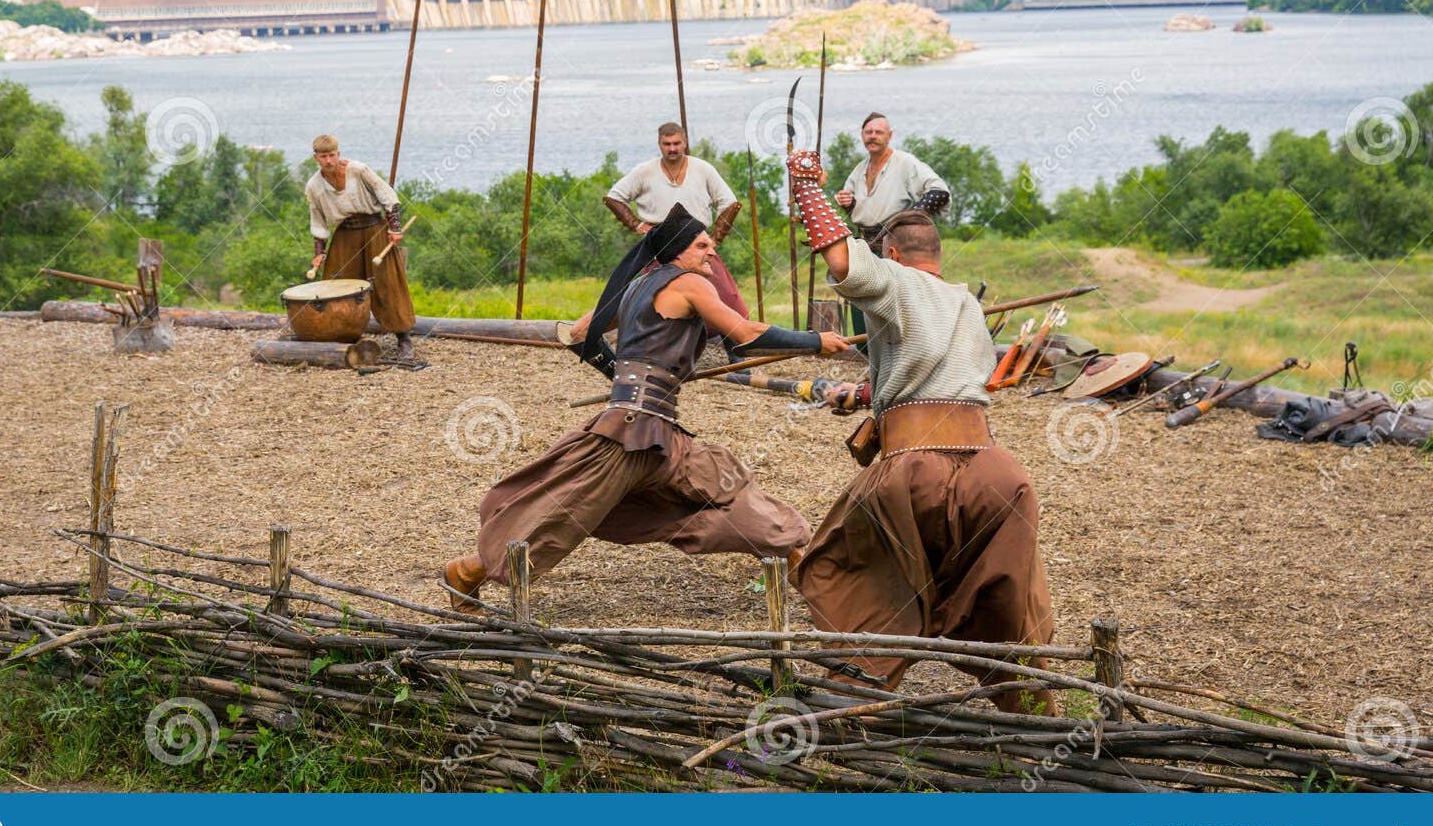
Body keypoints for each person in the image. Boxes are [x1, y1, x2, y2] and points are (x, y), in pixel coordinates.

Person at [443, 204, 850, 610]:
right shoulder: (689, 283)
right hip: (634, 433)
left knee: (724, 484)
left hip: (652, 430)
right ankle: (467, 572)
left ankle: (802, 565)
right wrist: (815, 341)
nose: (712, 252)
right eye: (702, 244)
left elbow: (580, 334)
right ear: (679, 251)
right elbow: (745, 333)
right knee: (563, 511)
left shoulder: (638, 286)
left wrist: (629, 375)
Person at [784, 149, 1057, 715]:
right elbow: (937, 373)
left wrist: (807, 185)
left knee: (837, 563)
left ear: (890, 253)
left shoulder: (895, 282)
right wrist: (863, 395)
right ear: (937, 254)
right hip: (995, 471)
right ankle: (1028, 707)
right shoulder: (965, 303)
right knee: (1003, 591)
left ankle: (856, 691)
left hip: (916, 467)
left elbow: (840, 261)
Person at [605, 122, 749, 320]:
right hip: (660, 245)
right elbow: (613, 198)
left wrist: (715, 238)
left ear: (685, 142)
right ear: (659, 143)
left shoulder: (703, 169)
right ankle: (645, 342)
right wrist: (636, 224)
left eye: (676, 143)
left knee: (727, 297)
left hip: (697, 241)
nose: (672, 148)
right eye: (667, 144)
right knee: (648, 298)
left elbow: (731, 203)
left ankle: (737, 344)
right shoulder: (644, 171)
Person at [833, 113, 951, 336]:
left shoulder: (905, 163)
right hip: (864, 247)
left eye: (878, 132)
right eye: (869, 132)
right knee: (862, 300)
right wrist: (848, 203)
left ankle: (901, 352)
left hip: (896, 248)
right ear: (862, 136)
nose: (873, 136)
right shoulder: (860, 169)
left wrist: (908, 220)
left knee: (896, 304)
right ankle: (866, 353)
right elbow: (859, 209)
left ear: (889, 135)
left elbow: (939, 192)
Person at [304, 134, 416, 361]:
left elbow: (388, 197)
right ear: (316, 158)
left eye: (332, 155)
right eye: (323, 156)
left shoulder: (358, 170)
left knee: (388, 282)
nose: (329, 161)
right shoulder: (314, 186)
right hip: (344, 236)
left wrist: (394, 228)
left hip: (374, 230)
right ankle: (344, 337)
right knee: (338, 286)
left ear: (338, 153)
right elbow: (318, 221)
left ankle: (404, 339)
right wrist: (319, 253)